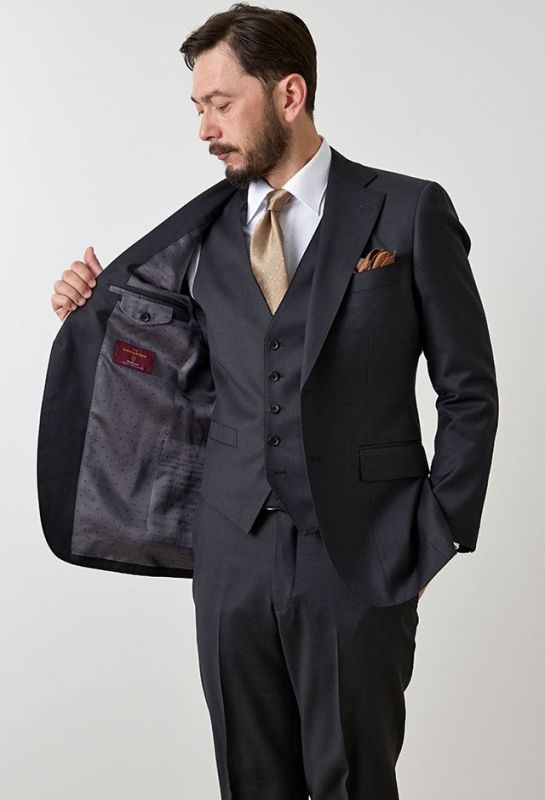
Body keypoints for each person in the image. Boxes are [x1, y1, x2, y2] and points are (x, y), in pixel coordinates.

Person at [44, 4, 499, 798]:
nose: (204, 129)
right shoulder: (199, 237)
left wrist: (436, 535)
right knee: (249, 783)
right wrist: (90, 312)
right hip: (231, 556)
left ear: (289, 95)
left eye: (220, 104)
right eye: (197, 108)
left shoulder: (407, 211)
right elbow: (173, 374)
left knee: (352, 783)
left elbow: (468, 391)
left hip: (363, 555)